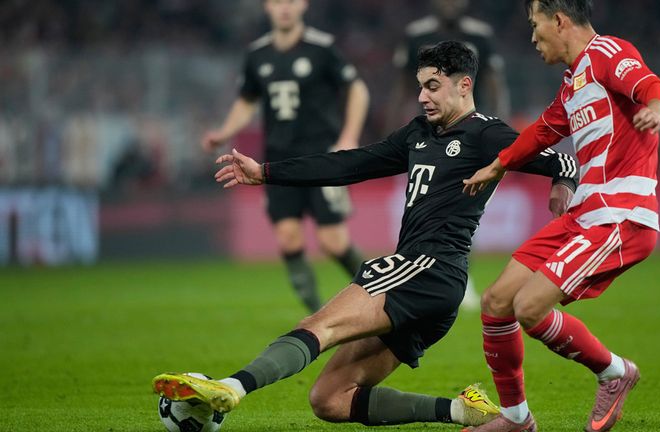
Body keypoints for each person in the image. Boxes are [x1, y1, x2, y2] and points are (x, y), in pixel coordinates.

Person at [154, 41, 577, 428]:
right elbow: (350, 164)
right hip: (430, 283)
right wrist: (266, 172)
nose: (422, 96)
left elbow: (561, 161)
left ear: (464, 85)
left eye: (432, 86)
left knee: (320, 326)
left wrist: (563, 185)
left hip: (427, 266)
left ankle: (231, 387)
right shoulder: (418, 134)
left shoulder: (488, 133)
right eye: (420, 86)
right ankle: (462, 410)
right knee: (329, 400)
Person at [461, 1, 660, 431]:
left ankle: (615, 372)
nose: (532, 37)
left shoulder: (608, 53)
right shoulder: (573, 81)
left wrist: (657, 110)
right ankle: (516, 419)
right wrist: (499, 164)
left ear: (559, 20)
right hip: (585, 214)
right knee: (497, 301)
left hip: (621, 215)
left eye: (534, 25)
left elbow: (653, 86)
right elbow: (542, 131)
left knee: (529, 306)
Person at [201, 0, 370, 312]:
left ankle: (385, 294)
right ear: (267, 7)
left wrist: (349, 136)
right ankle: (319, 317)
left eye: (291, 1)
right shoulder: (257, 54)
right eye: (278, 2)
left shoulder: (322, 48)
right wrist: (224, 132)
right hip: (277, 162)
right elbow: (246, 101)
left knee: (333, 242)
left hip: (322, 160)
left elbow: (357, 89)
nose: (285, 8)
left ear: (303, 5)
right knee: (288, 240)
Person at [387, 0, 512, 311]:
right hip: (429, 136)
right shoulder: (416, 35)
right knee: (426, 205)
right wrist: (392, 130)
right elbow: (402, 87)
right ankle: (425, 272)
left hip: (471, 137)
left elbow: (496, 85)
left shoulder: (480, 35)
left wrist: (498, 131)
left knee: (462, 207)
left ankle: (457, 275)